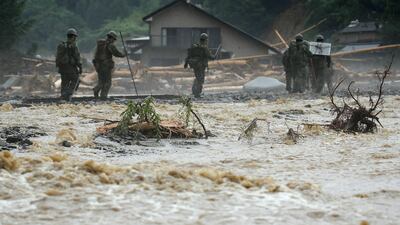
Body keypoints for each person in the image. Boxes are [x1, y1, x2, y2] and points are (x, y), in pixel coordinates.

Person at [92, 31, 126, 99]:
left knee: (101, 81)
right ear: (112, 38)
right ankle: (103, 96)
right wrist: (124, 54)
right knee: (107, 82)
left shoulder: (101, 44)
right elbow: (116, 53)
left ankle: (96, 90)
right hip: (106, 66)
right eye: (114, 39)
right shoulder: (110, 45)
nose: (114, 41)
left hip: (98, 66)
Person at [184, 33, 214, 98]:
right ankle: (197, 93)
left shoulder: (195, 46)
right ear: (206, 40)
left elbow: (189, 55)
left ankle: (194, 91)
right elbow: (210, 56)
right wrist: (214, 56)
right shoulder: (204, 48)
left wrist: (186, 63)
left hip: (195, 65)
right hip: (201, 66)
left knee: (197, 77)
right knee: (200, 79)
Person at [55, 28, 82, 101]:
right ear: (73, 37)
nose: (75, 38)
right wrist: (80, 67)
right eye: (75, 37)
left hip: (62, 67)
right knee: (76, 79)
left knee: (64, 82)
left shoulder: (62, 45)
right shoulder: (73, 46)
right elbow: (77, 57)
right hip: (70, 67)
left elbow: (57, 57)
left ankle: (63, 98)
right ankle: (68, 93)